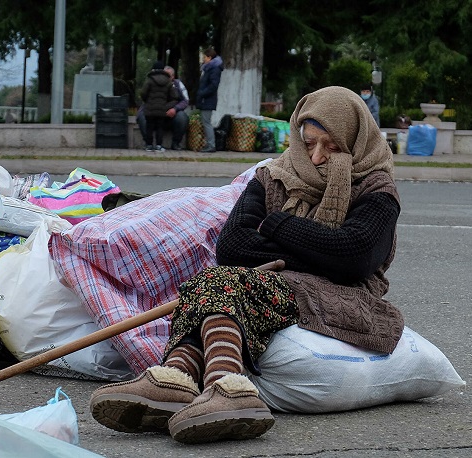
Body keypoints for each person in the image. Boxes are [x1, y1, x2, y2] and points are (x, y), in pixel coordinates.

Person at [89, 86, 402, 444]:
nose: (315, 157)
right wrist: (316, 248)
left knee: (225, 283)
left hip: (344, 297)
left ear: (353, 138)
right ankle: (181, 378)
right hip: (274, 286)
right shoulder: (274, 176)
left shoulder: (376, 186)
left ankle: (220, 384)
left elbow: (353, 257)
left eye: (329, 146)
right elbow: (233, 245)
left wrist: (277, 225)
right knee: (218, 278)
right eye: (309, 143)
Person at [136, 66, 190, 150]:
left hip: (171, 113)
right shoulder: (152, 82)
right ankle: (148, 143)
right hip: (153, 111)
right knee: (142, 117)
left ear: (173, 77)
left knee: (182, 118)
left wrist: (174, 109)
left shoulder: (177, 84)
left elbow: (185, 100)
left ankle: (175, 143)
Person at [140, 61, 179, 152]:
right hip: (162, 109)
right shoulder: (168, 82)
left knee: (149, 127)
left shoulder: (149, 80)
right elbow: (174, 97)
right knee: (159, 127)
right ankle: (159, 145)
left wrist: (147, 101)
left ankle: (149, 145)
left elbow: (143, 93)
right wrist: (166, 106)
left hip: (150, 108)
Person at [196, 47, 224, 152]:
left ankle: (211, 145)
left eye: (205, 57)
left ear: (209, 57)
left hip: (207, 100)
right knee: (205, 121)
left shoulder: (214, 69)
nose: (203, 59)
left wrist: (202, 93)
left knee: (207, 122)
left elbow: (213, 85)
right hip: (206, 99)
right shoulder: (208, 68)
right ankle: (209, 144)